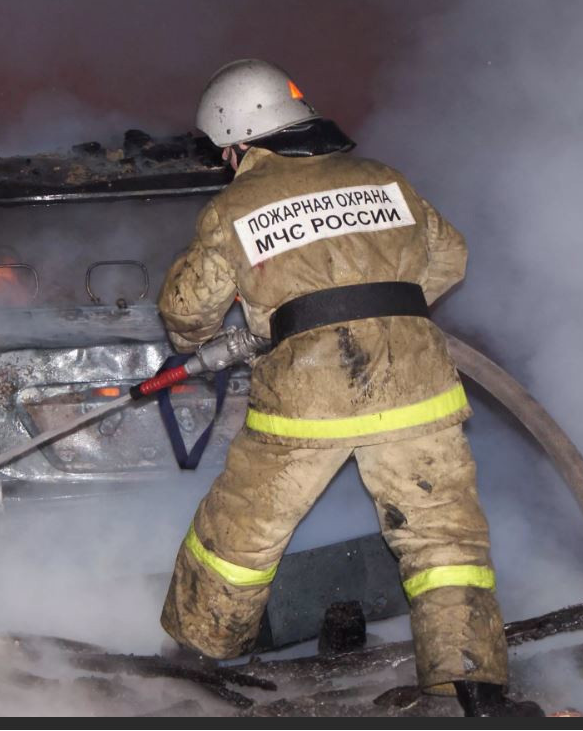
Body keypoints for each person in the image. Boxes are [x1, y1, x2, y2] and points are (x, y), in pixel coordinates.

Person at [157, 59, 542, 717]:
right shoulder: (384, 179)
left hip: (307, 403)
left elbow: (187, 310)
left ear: (236, 140)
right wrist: (379, 311)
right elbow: (450, 257)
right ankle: (474, 691)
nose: (224, 159)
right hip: (418, 389)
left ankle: (195, 659)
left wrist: (230, 337)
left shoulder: (235, 207)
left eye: (223, 149)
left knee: (240, 531)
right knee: (444, 542)